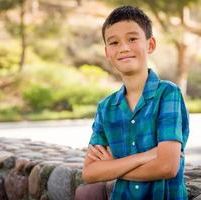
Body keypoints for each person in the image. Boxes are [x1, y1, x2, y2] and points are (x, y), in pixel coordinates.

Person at [76, 5, 189, 200]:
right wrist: (146, 156)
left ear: (150, 44)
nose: (124, 48)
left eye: (132, 39)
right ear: (107, 52)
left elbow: (167, 166)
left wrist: (113, 166)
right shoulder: (106, 108)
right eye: (114, 42)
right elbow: (90, 172)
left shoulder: (168, 94)